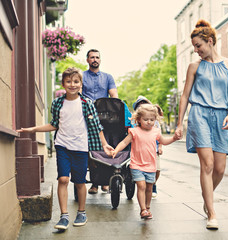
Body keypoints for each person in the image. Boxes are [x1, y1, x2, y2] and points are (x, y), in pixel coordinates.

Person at [17, 67, 113, 230]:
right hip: (62, 146)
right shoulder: (58, 103)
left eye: (76, 81)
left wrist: (104, 144)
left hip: (80, 148)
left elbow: (96, 126)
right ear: (63, 84)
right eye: (68, 81)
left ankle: (81, 212)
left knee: (80, 182)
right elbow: (54, 125)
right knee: (63, 179)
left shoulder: (86, 103)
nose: (72, 84)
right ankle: (64, 216)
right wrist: (33, 130)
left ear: (81, 84)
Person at [174, 19, 228, 230]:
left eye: (198, 46)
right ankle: (211, 212)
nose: (196, 50)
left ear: (210, 41)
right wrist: (179, 124)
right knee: (207, 164)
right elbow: (184, 96)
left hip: (221, 116)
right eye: (194, 47)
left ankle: (206, 198)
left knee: (220, 168)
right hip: (199, 114)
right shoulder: (194, 67)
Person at [110, 104, 180, 219]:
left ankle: (147, 208)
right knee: (141, 186)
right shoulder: (134, 131)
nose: (149, 122)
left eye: (152, 120)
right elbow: (124, 142)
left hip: (151, 166)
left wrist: (174, 138)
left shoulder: (156, 132)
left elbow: (164, 141)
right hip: (137, 165)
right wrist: (116, 150)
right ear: (138, 119)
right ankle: (143, 209)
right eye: (145, 119)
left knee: (149, 187)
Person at [82, 49, 132, 194]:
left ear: (100, 60)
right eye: (92, 57)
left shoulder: (108, 77)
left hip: (106, 115)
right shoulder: (83, 76)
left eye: (97, 57)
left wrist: (116, 106)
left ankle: (106, 180)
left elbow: (114, 95)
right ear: (87, 60)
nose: (95, 59)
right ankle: (95, 182)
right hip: (88, 115)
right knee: (92, 147)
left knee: (109, 142)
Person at [132, 96, 162, 198]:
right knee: (142, 184)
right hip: (140, 154)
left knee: (157, 169)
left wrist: (161, 147)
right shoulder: (136, 123)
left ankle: (153, 184)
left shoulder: (154, 121)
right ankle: (145, 205)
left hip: (154, 150)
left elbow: (159, 136)